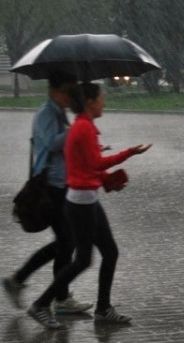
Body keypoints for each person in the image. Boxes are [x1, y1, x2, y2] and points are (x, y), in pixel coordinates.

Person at [26, 82, 151, 329]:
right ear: (90, 102)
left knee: (110, 252)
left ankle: (103, 308)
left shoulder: (86, 127)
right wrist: (129, 153)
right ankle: (41, 304)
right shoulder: (83, 128)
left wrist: (107, 181)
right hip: (81, 204)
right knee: (83, 260)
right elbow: (95, 164)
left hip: (88, 200)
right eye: (101, 98)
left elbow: (86, 167)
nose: (104, 102)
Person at [3, 71, 92, 315]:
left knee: (66, 243)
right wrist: (76, 130)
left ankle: (32, 285)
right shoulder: (46, 113)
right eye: (68, 91)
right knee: (67, 241)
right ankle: (51, 294)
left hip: (61, 185)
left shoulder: (59, 113)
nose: (71, 96)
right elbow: (53, 143)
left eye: (74, 92)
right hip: (50, 187)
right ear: (53, 90)